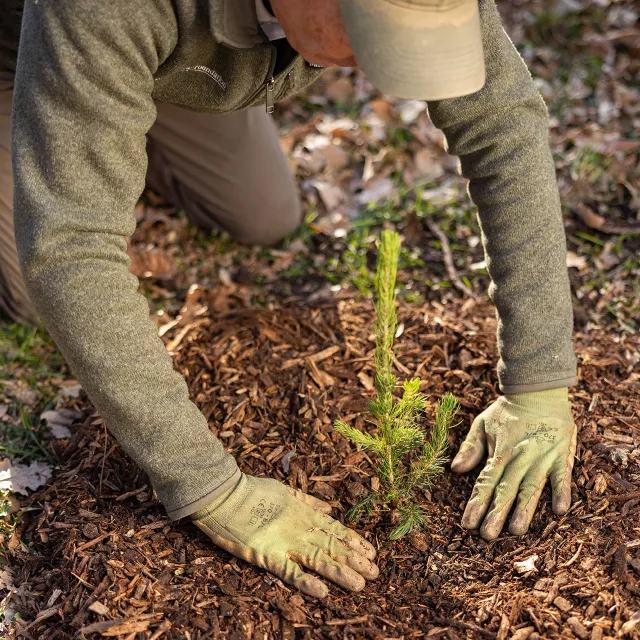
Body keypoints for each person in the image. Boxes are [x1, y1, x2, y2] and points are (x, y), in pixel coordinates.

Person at [0, 0, 578, 598]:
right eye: (368, 38)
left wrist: (539, 384)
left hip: (172, 55)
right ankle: (90, 120)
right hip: (32, 47)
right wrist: (212, 487)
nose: (376, 70)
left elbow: (504, 128)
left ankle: (123, 108)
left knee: (263, 216)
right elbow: (72, 250)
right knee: (28, 284)